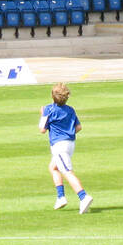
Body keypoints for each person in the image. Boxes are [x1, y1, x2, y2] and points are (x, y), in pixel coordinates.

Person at [40, 83, 91, 213]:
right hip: (70, 144)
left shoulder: (48, 109)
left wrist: (42, 114)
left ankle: (83, 196)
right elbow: (78, 127)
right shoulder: (70, 109)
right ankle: (60, 197)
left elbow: (42, 129)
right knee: (53, 167)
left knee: (67, 171)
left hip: (59, 146)